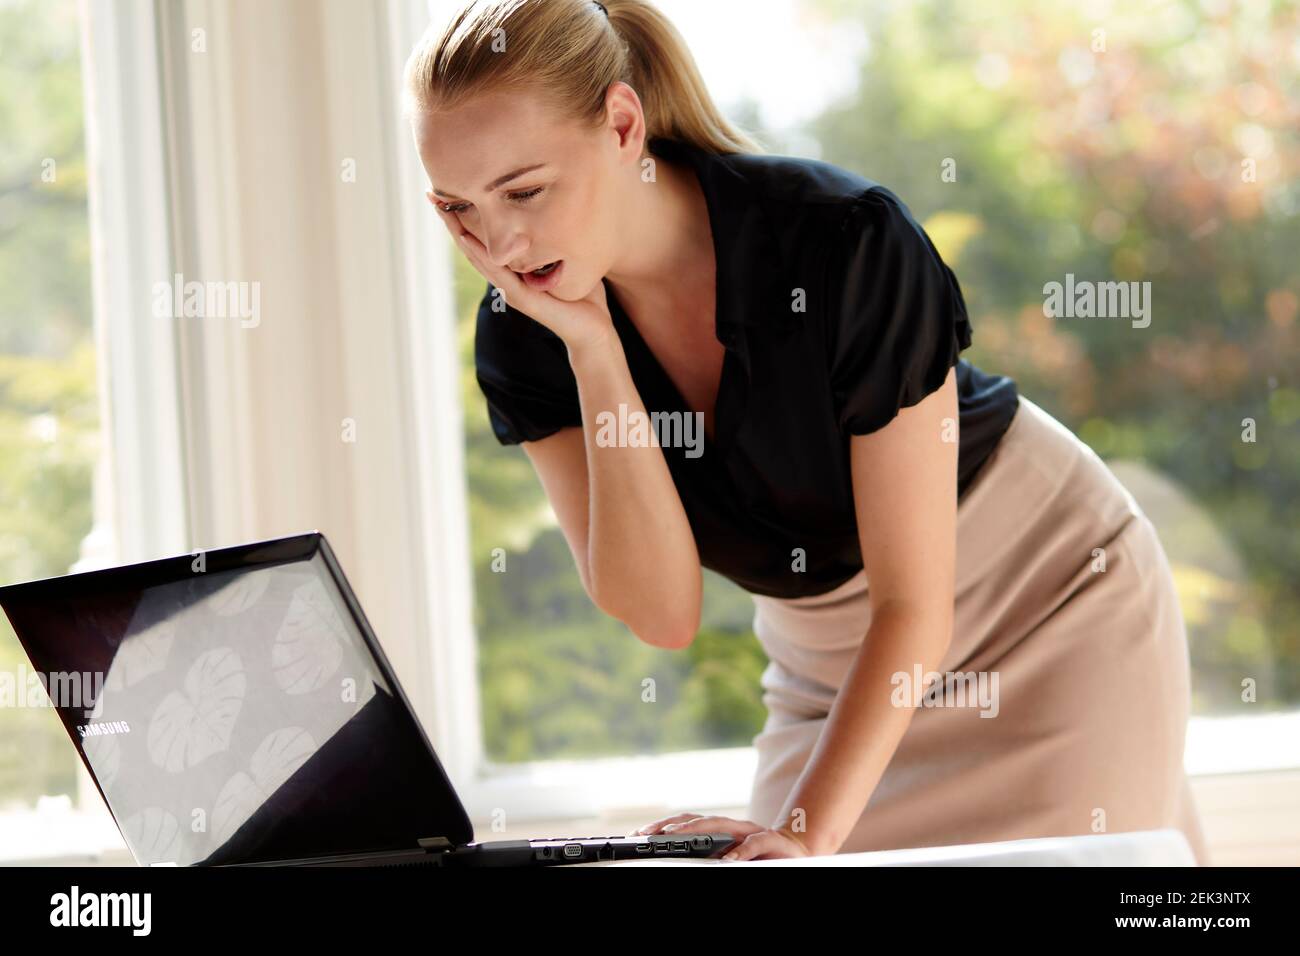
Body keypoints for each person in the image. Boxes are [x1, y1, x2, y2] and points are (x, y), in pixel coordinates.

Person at [402, 0, 1209, 865]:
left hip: (1046, 599)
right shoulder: (528, 332)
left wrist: (802, 831)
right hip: (830, 667)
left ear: (623, 123)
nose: (501, 240)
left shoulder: (844, 244)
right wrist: (595, 350)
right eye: (459, 209)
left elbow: (911, 604)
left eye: (524, 190)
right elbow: (663, 613)